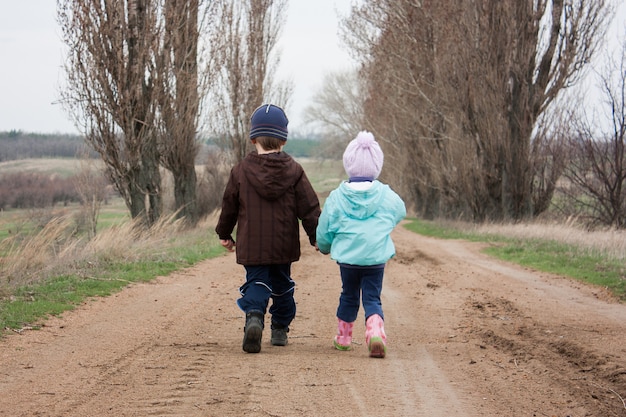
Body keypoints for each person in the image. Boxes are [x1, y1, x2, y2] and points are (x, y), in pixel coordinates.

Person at [215, 104, 321, 354]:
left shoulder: (240, 170)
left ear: (253, 138)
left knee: (257, 282)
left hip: (252, 243)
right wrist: (317, 237)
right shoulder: (294, 170)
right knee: (283, 285)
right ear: (283, 140)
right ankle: (280, 329)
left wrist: (224, 234)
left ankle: (254, 317)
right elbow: (309, 208)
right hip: (283, 243)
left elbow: (229, 205)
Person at [316, 131, 406, 358]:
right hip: (375, 257)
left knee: (348, 294)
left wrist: (324, 245)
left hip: (348, 259)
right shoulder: (385, 194)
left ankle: (344, 337)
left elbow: (325, 227)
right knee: (372, 297)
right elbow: (400, 210)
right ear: (377, 165)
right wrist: (383, 227)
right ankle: (375, 330)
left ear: (349, 163)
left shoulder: (337, 196)